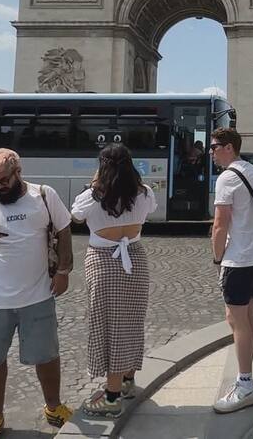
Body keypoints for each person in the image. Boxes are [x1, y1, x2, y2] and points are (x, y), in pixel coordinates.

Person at [0, 148, 75, 439]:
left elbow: (64, 230)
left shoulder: (44, 196)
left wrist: (63, 271)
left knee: (47, 356)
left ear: (18, 173)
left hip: (37, 295)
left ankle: (54, 407)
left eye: (2, 180)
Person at [71, 144, 157, 418]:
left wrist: (96, 183)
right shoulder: (144, 194)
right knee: (131, 320)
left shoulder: (91, 197)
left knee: (108, 324)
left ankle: (111, 397)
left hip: (103, 260)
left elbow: (75, 215)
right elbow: (149, 209)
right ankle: (127, 382)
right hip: (134, 257)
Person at [209, 127, 253, 413]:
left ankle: (245, 383)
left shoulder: (226, 178)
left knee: (236, 320)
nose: (211, 151)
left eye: (215, 146)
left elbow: (220, 225)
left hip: (240, 259)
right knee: (248, 317)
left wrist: (217, 257)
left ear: (229, 148)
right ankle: (247, 377)